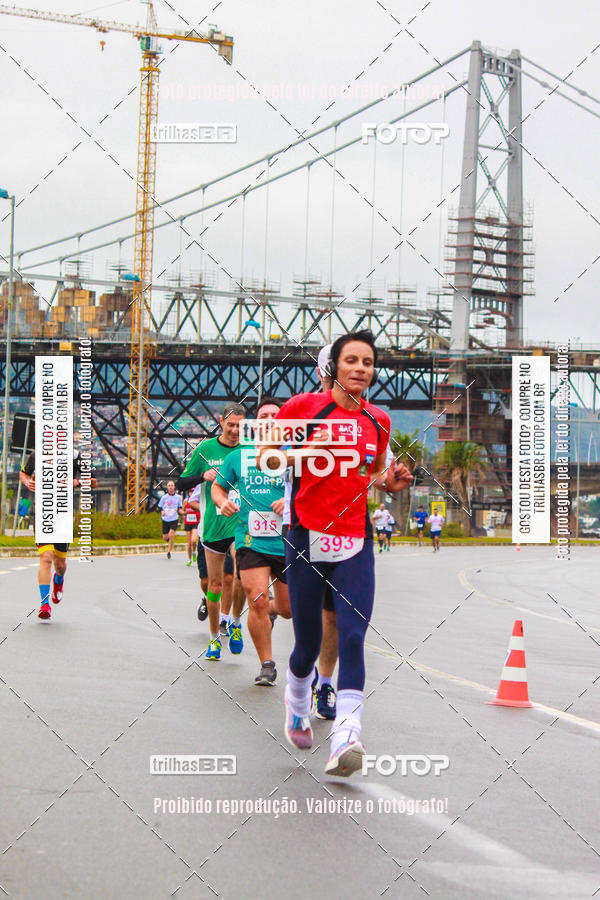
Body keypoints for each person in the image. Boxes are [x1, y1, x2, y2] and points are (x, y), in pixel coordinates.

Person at [260, 329, 413, 777]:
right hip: (306, 535)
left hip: (355, 539)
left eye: (368, 362)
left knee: (351, 636)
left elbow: (373, 475)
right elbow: (265, 457)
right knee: (306, 642)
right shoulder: (302, 409)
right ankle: (296, 701)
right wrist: (302, 454)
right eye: (353, 361)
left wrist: (389, 481)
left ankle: (346, 736)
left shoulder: (378, 420)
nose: (361, 369)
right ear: (335, 367)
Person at [212, 397, 292, 686]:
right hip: (250, 539)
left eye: (276, 415)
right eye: (264, 415)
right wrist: (222, 502)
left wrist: (290, 499)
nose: (270, 419)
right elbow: (217, 487)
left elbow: (312, 489)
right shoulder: (239, 456)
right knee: (255, 597)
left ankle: (272, 609)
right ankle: (266, 664)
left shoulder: (295, 456)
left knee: (287, 609)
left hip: (287, 541)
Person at [176, 402, 246, 660]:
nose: (235, 431)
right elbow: (182, 481)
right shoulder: (206, 449)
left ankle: (235, 622)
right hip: (212, 526)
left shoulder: (249, 450)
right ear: (220, 422)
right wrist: (202, 476)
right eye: (230, 425)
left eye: (240, 426)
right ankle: (214, 638)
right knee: (213, 585)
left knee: (239, 577)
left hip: (240, 525)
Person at [19, 449, 95, 620]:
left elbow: (94, 482)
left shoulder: (75, 455)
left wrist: (77, 482)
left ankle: (58, 579)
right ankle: (44, 604)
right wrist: (27, 482)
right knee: (46, 557)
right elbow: (23, 473)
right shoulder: (37, 453)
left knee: (60, 564)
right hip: (44, 513)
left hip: (63, 515)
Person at [158, 481, 182, 559]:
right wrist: (162, 511)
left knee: (171, 534)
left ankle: (169, 552)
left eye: (172, 485)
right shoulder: (164, 497)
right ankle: (170, 541)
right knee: (165, 537)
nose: (171, 487)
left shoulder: (178, 497)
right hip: (165, 519)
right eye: (169, 486)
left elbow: (180, 507)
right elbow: (160, 507)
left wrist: (182, 512)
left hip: (174, 519)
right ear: (167, 487)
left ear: (174, 487)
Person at [182, 489, 200, 566]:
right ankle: (189, 559)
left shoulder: (197, 501)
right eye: (190, 492)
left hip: (196, 522)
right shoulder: (186, 501)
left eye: (193, 492)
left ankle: (194, 552)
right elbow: (182, 511)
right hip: (188, 522)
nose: (191, 493)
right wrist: (185, 512)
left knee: (194, 540)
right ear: (188, 493)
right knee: (189, 543)